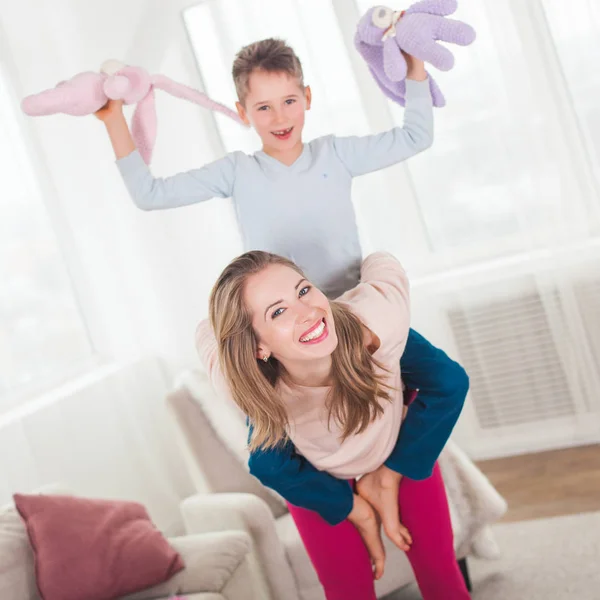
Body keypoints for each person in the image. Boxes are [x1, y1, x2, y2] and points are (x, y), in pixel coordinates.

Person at [95, 36, 468, 553]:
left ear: (308, 97)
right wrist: (112, 117)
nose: (279, 116)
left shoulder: (335, 153)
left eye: (289, 100)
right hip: (282, 340)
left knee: (448, 379)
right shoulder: (238, 171)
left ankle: (388, 475)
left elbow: (416, 136)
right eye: (263, 106)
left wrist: (414, 67)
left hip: (355, 321)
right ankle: (350, 506)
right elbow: (149, 194)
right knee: (267, 457)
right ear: (243, 113)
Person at [196, 249, 470, 600]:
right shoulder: (243, 384)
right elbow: (206, 332)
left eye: (303, 290)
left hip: (396, 442)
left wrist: (389, 474)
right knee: (346, 591)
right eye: (278, 311)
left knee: (440, 571)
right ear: (258, 347)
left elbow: (449, 382)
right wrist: (352, 509)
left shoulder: (378, 323)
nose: (308, 312)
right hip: (318, 475)